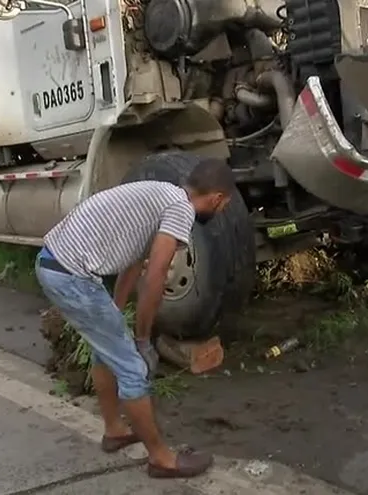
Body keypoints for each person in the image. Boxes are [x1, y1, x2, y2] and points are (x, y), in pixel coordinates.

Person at [35, 154, 234, 479]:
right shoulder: (180, 208)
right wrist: (143, 341)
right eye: (224, 205)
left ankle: (114, 430)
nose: (222, 210)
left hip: (55, 264)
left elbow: (133, 264)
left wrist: (115, 309)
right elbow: (156, 276)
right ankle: (161, 459)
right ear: (216, 198)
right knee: (132, 368)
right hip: (71, 275)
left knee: (107, 349)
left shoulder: (161, 195)